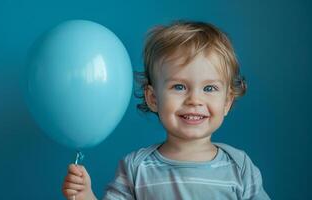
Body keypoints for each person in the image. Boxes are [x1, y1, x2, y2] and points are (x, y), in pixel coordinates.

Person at [62, 20, 270, 200]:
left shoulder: (239, 166)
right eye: (179, 87)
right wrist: (85, 195)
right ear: (153, 98)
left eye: (209, 88)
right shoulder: (136, 167)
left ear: (227, 102)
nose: (194, 100)